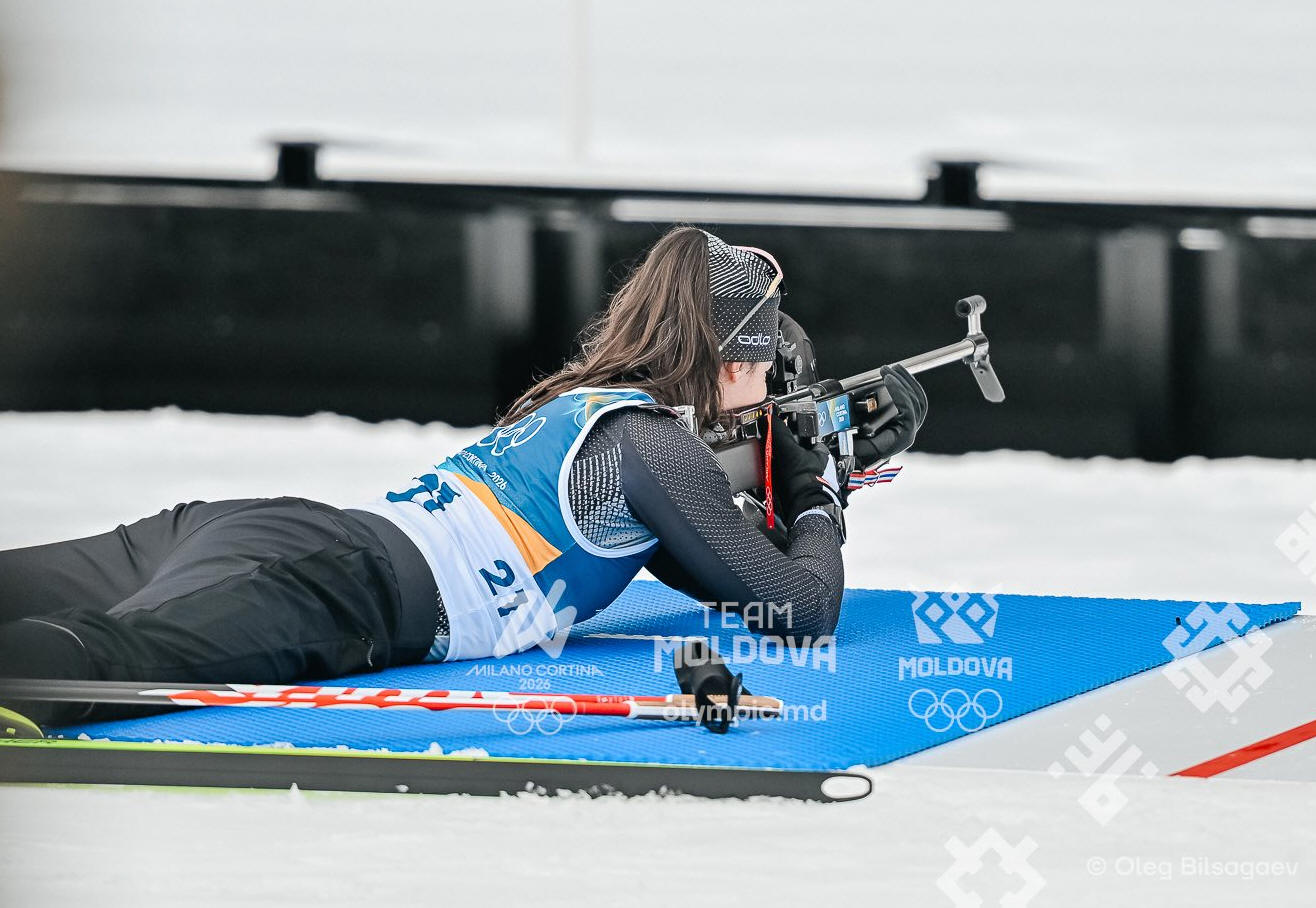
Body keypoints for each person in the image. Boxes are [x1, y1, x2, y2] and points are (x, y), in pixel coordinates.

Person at [0, 226, 927, 727]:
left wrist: (805, 477)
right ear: (734, 361)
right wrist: (818, 487)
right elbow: (801, 607)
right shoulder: (656, 450)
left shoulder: (585, 406)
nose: (765, 398)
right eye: (766, 377)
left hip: (275, 531)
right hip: (342, 589)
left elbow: (722, 570)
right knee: (99, 664)